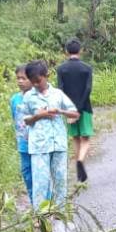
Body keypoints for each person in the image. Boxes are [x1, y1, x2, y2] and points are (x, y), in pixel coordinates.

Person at [17, 60, 80, 210]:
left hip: (58, 144)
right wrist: (39, 115)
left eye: (38, 81)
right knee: (40, 183)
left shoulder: (58, 94)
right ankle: (41, 217)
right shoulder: (28, 97)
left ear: (47, 76)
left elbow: (75, 113)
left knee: (60, 181)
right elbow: (25, 120)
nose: (36, 85)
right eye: (33, 82)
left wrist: (60, 111)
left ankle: (60, 214)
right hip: (39, 146)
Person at [57, 38, 94, 182]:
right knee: (86, 138)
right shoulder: (87, 68)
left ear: (66, 51)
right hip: (84, 108)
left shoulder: (61, 69)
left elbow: (60, 89)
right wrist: (79, 108)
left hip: (69, 110)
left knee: (75, 137)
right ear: (81, 50)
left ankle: (78, 163)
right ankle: (80, 160)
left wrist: (69, 109)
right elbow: (88, 88)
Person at [9, 65, 34, 201]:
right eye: (18, 78)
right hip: (23, 143)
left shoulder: (38, 97)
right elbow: (15, 120)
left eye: (23, 78)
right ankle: (35, 205)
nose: (20, 81)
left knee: (40, 175)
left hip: (38, 144)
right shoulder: (14, 100)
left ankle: (46, 206)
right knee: (27, 174)